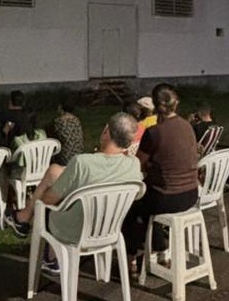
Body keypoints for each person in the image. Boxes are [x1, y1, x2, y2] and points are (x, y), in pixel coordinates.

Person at [8, 112, 143, 273]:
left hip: (74, 231)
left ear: (106, 131)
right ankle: (24, 219)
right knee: (54, 173)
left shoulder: (82, 163)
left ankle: (52, 256)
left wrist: (44, 196)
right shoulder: (134, 165)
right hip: (109, 229)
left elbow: (48, 200)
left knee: (45, 205)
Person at [124, 83, 199, 276]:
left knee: (131, 207)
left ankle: (130, 257)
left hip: (167, 196)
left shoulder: (154, 132)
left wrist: (149, 166)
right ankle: (161, 248)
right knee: (150, 204)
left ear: (155, 107)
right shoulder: (187, 126)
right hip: (191, 194)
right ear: (177, 103)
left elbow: (137, 163)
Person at [48, 98, 85, 166]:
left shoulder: (59, 121)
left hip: (66, 156)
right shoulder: (76, 120)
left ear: (62, 108)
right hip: (78, 152)